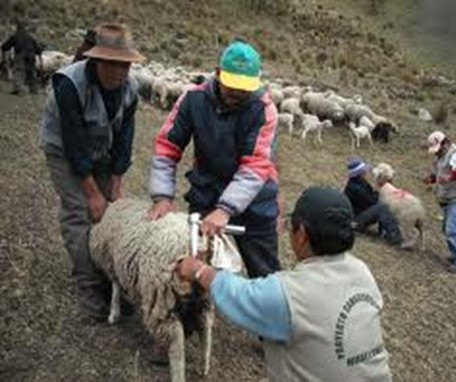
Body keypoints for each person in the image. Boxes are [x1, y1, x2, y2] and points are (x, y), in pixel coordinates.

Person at [176, 186, 392, 381]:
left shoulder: (288, 293)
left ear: (301, 235)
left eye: (291, 226)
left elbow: (238, 294)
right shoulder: (362, 272)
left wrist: (198, 270)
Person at [148, 40, 281, 278]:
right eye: (232, 85)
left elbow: (255, 166)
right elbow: (167, 147)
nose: (238, 93)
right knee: (197, 263)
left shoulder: (263, 109)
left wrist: (226, 209)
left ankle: (267, 313)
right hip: (208, 190)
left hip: (256, 200)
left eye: (244, 88)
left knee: (264, 269)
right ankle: (201, 311)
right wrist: (162, 196)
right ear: (218, 74)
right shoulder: (192, 100)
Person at [40, 23, 144, 320]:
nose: (118, 73)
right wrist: (91, 191)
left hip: (102, 149)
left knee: (108, 213)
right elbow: (73, 141)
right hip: (64, 149)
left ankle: (106, 280)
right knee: (80, 212)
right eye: (111, 65)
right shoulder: (69, 84)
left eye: (124, 65)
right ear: (96, 59)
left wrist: (115, 180)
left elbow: (125, 136)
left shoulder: (130, 88)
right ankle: (87, 288)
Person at [423, 131, 456, 273]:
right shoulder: (441, 156)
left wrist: (452, 176)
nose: (436, 153)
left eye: (438, 149)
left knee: (453, 229)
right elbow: (441, 173)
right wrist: (431, 179)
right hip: (448, 198)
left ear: (445, 143)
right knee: (447, 228)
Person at [344, 157, 402, 246]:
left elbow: (372, 196)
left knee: (383, 206)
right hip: (354, 222)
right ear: (359, 173)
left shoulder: (360, 182)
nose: (366, 171)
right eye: (363, 170)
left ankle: (386, 231)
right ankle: (395, 237)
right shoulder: (355, 188)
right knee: (382, 207)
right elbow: (372, 201)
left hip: (358, 216)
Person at [1, 20, 43, 94]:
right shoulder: (30, 37)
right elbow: (38, 49)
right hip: (31, 55)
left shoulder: (15, 36)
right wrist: (39, 55)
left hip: (20, 54)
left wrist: (3, 50)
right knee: (31, 71)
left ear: (17, 28)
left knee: (19, 71)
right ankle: (34, 89)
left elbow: (6, 46)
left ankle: (18, 89)